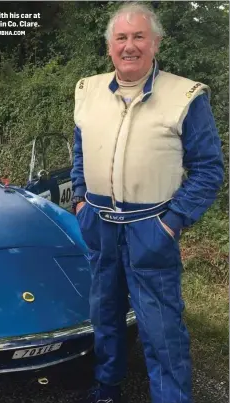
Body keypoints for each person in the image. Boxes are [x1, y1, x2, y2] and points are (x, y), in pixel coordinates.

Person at [71, 3, 224, 403]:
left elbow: (209, 169)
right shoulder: (88, 91)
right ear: (109, 47)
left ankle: (170, 397)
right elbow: (79, 152)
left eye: (139, 36)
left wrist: (171, 222)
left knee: (161, 327)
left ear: (155, 43)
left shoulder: (184, 96)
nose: (130, 46)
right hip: (99, 222)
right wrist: (80, 201)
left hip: (151, 225)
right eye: (121, 38)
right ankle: (107, 387)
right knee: (104, 315)